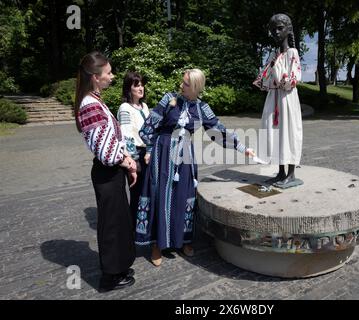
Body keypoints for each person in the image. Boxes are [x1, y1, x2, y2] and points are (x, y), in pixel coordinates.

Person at [135, 68, 255, 266]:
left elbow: (219, 132)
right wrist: (150, 149)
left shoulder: (202, 109)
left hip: (185, 157)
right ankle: (157, 244)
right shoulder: (169, 99)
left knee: (185, 195)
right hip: (163, 154)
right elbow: (148, 127)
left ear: (197, 87)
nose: (181, 85)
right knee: (161, 195)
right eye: (182, 82)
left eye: (186, 84)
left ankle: (183, 241)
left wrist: (243, 148)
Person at [74, 51, 137, 291]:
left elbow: (112, 141)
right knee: (111, 224)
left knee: (118, 221)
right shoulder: (90, 105)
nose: (112, 76)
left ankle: (119, 266)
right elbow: (106, 152)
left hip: (111, 171)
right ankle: (109, 277)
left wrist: (125, 159)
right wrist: (127, 161)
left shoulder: (94, 100)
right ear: (95, 77)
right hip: (107, 171)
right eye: (109, 73)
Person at [253, 13, 303, 187]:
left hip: (286, 100)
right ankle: (280, 172)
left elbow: (292, 79)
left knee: (288, 133)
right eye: (273, 29)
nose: (276, 32)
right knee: (276, 133)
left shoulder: (292, 53)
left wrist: (276, 72)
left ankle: (291, 173)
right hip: (274, 98)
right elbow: (265, 80)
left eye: (280, 28)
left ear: (288, 30)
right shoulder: (275, 54)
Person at [117, 72, 150, 230]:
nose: (141, 88)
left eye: (142, 84)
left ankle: (144, 228)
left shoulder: (144, 106)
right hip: (135, 154)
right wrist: (133, 163)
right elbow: (126, 136)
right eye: (136, 85)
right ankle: (132, 232)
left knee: (147, 193)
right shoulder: (125, 108)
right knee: (136, 195)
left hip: (148, 154)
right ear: (128, 88)